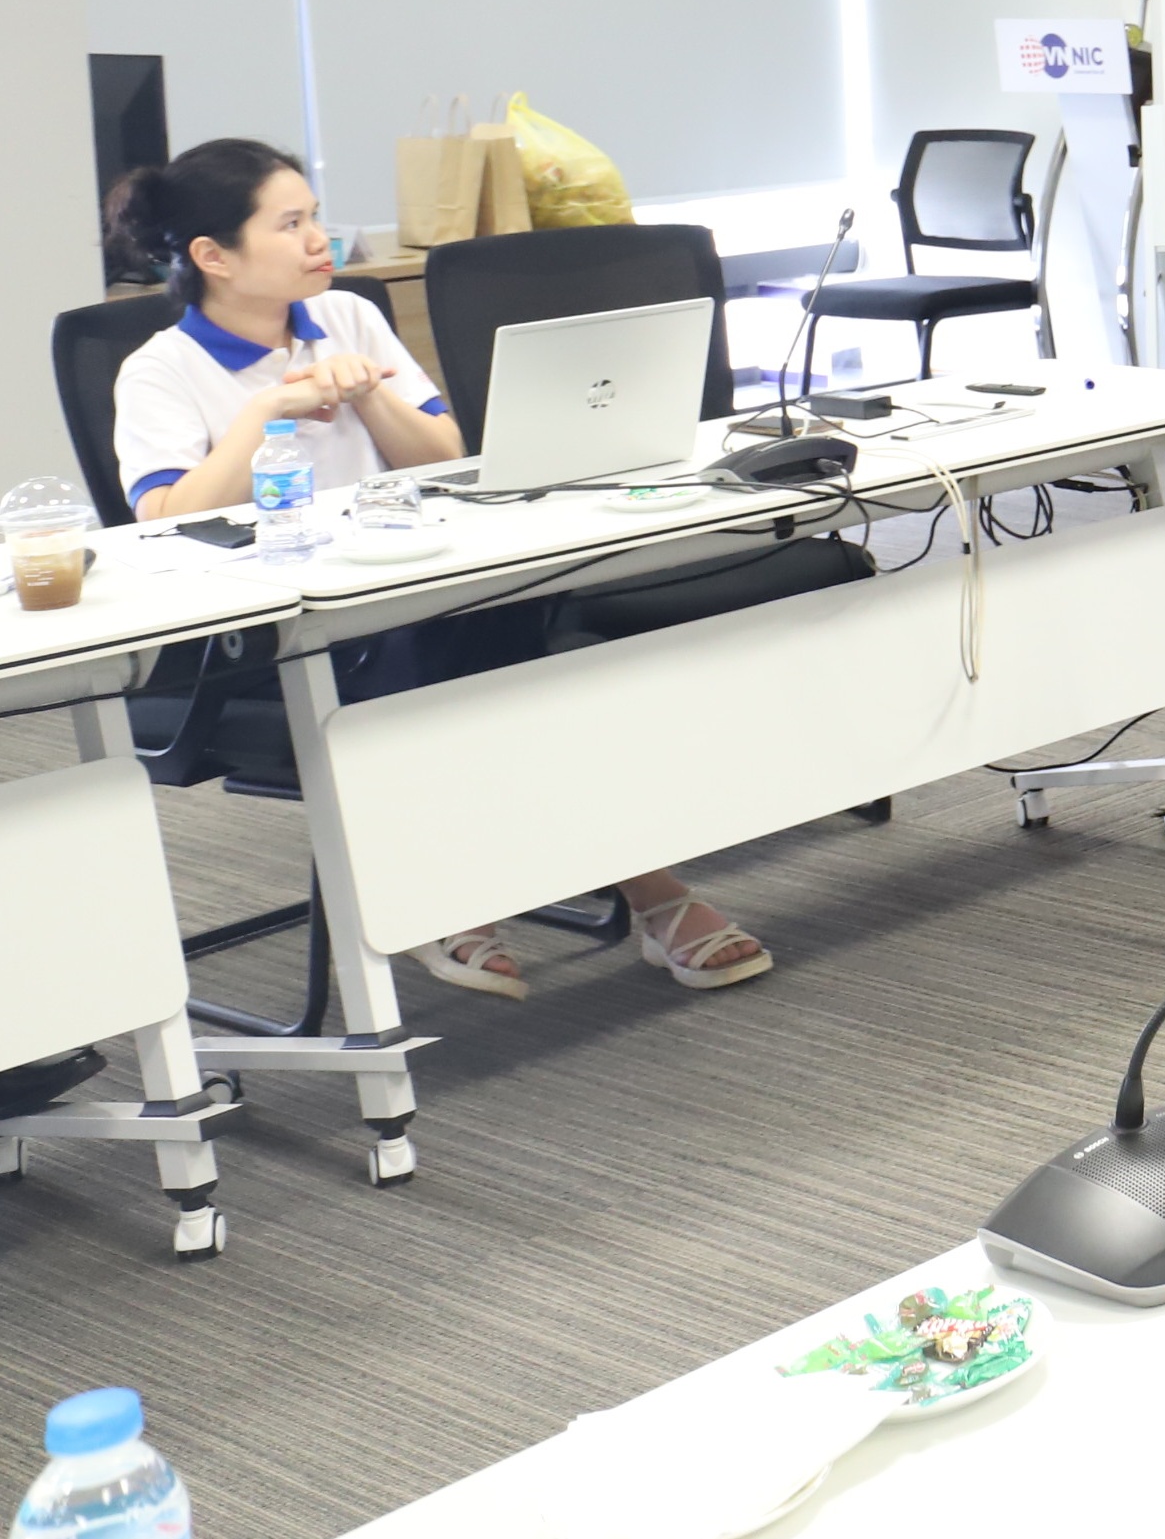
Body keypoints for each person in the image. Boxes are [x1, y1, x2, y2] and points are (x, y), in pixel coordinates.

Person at [108, 139, 773, 999]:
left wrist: (367, 392)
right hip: (272, 630)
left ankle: (469, 891)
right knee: (499, 671)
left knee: (526, 635)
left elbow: (444, 453)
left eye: (315, 217)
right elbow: (164, 518)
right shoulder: (161, 369)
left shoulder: (345, 315)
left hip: (399, 589)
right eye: (291, 223)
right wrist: (269, 406)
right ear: (213, 255)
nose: (318, 240)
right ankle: (635, 895)